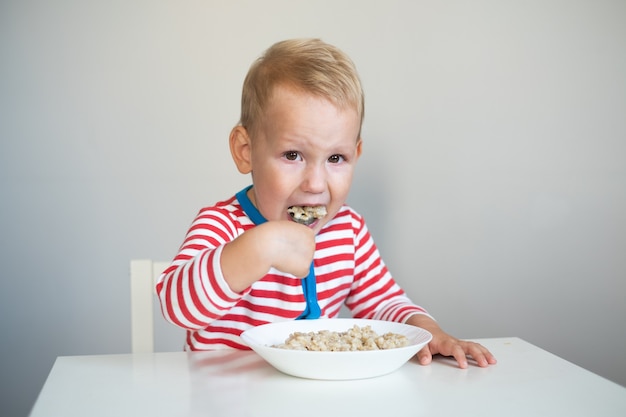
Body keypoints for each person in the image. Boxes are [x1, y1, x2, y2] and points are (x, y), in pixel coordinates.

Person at [156, 38, 496, 369]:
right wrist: (258, 247)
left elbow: (383, 302)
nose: (316, 184)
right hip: (225, 400)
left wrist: (430, 332)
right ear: (246, 151)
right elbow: (177, 307)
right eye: (293, 155)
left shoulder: (348, 230)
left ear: (356, 155)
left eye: (336, 158)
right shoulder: (222, 224)